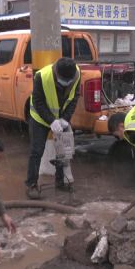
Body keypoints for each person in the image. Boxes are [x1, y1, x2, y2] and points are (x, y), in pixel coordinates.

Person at [26, 57, 81, 199]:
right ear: (57, 74)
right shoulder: (42, 77)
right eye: (64, 80)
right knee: (36, 151)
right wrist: (51, 121)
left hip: (61, 118)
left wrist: (65, 119)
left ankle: (60, 181)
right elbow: (38, 101)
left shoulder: (76, 75)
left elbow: (74, 98)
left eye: (69, 80)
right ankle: (31, 184)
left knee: (62, 151)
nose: (67, 83)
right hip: (40, 118)